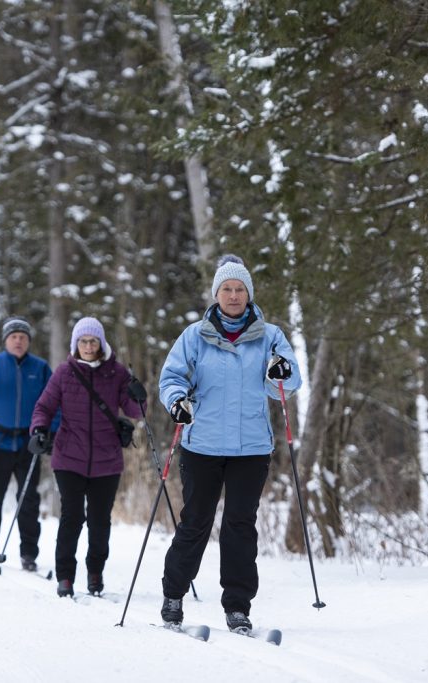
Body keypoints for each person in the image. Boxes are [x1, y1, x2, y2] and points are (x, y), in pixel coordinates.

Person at [157, 255, 302, 633]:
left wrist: (281, 371)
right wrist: (177, 401)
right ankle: (173, 595)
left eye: (240, 289)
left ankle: (237, 607)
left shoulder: (270, 335)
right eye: (227, 289)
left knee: (240, 525)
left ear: (249, 294)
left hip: (251, 448)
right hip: (201, 444)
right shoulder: (195, 335)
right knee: (196, 522)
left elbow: (286, 384)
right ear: (216, 294)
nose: (234, 295)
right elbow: (171, 376)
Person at [29, 317, 146, 598]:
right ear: (75, 344)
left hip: (107, 460)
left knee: (99, 520)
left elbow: (135, 411)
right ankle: (65, 576)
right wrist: (39, 429)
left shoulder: (116, 372)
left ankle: (95, 572)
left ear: (101, 343)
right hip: (69, 456)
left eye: (93, 341)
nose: (88, 346)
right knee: (72, 517)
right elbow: (44, 406)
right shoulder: (64, 373)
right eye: (83, 341)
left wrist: (139, 396)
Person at [0, 316, 56, 572]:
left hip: (29, 443)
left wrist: (51, 431)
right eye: (14, 337)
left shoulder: (39, 368)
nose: (18, 341)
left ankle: (28, 553)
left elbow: (53, 401)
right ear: (6, 340)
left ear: (28, 341)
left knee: (28, 501)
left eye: (23, 337)